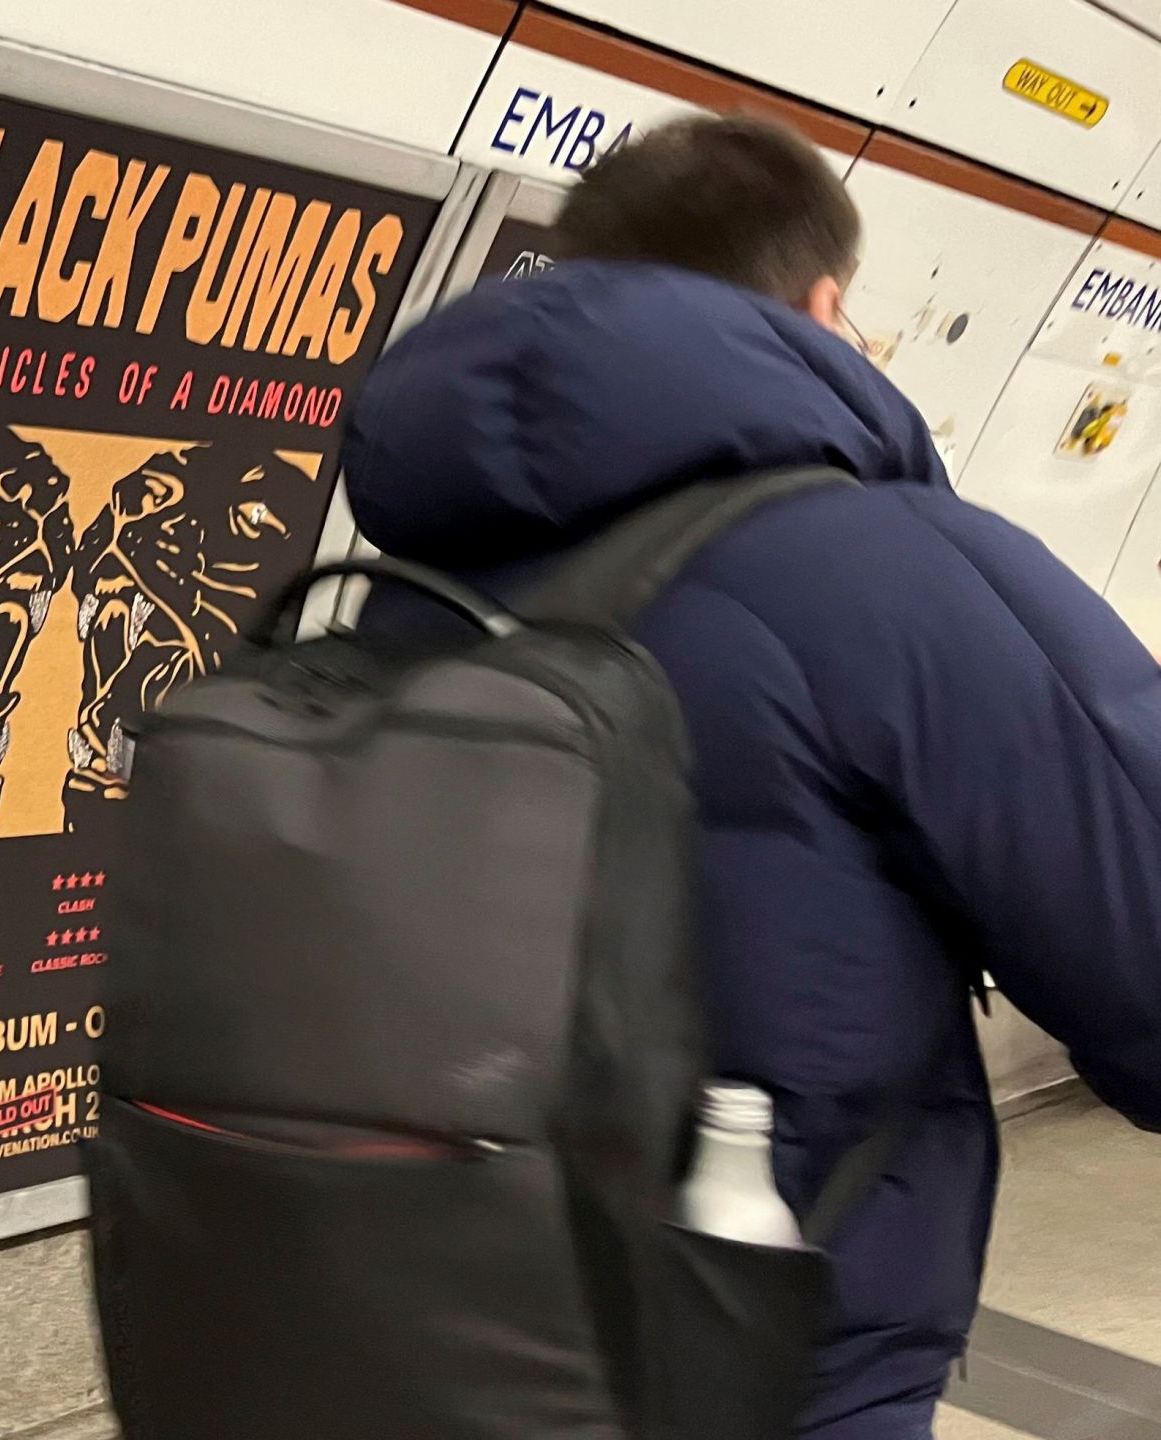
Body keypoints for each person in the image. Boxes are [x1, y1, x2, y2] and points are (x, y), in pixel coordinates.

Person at [340, 113, 1161, 1437]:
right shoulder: (905, 567)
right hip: (752, 1335)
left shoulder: (409, 577)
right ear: (828, 305)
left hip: (416, 1287)